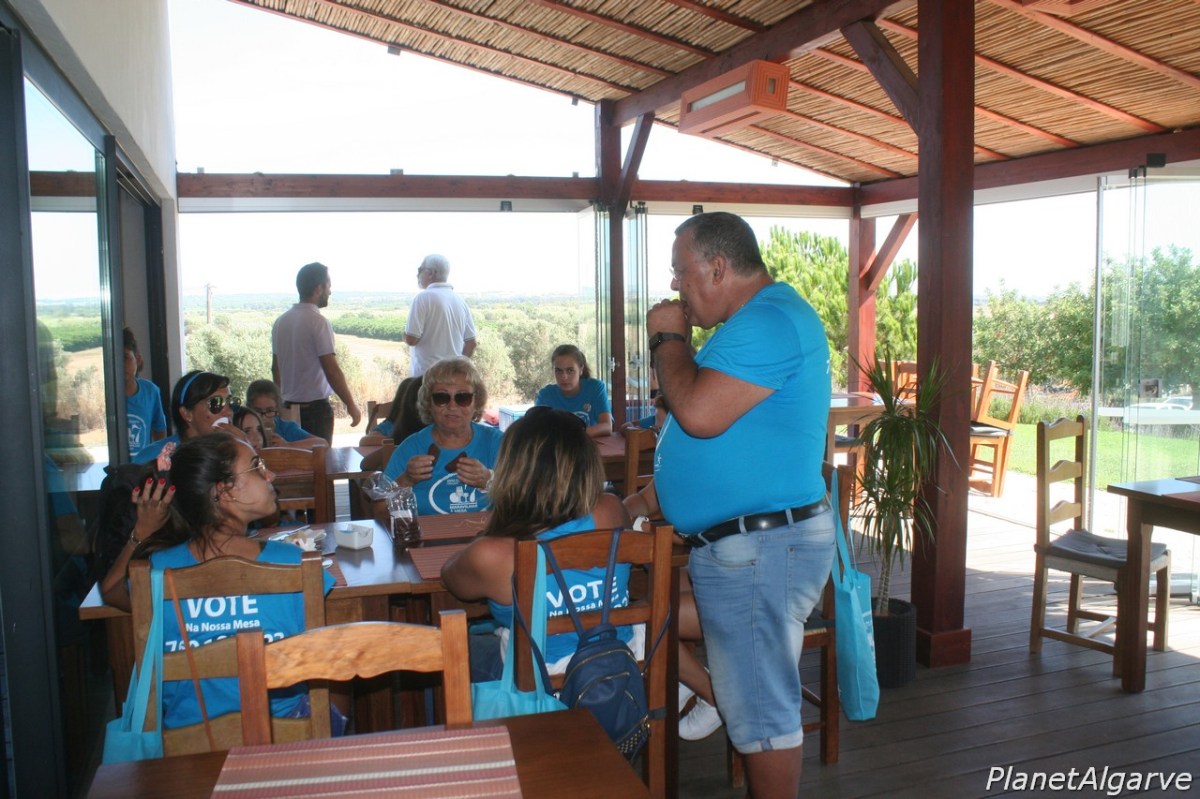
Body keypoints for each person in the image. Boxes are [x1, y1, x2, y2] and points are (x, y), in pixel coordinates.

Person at [648, 212, 833, 798]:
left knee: (764, 718)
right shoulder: (754, 321)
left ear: (717, 267)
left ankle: (725, 695)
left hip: (761, 548)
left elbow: (698, 413)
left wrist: (668, 340)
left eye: (680, 271)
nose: (675, 285)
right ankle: (718, 690)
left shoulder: (769, 322)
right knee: (652, 614)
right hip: (748, 547)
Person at [99, 434, 336, 731]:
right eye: (257, 467)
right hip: (284, 739)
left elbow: (110, 590)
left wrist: (142, 533)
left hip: (186, 742)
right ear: (224, 491)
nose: (270, 475)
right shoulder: (293, 562)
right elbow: (331, 660)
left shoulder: (158, 570)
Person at [440, 406, 634, 679]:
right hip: (623, 661)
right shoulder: (610, 510)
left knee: (446, 645)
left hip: (540, 682)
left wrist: (493, 529)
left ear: (510, 470)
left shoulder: (492, 554)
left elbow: (450, 578)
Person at [381, 357, 501, 515]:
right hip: (425, 531)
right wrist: (406, 480)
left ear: (476, 402)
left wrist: (490, 481)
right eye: (441, 398)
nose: (452, 406)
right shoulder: (411, 447)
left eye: (463, 398)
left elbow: (527, 501)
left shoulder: (497, 443)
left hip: (489, 531)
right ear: (428, 403)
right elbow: (379, 510)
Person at [271, 262, 362, 443]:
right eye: (328, 286)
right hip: (315, 411)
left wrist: (279, 405)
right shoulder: (318, 322)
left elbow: (276, 369)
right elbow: (331, 370)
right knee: (320, 457)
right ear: (318, 288)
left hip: (287, 408)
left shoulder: (281, 322)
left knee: (292, 458)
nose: (330, 291)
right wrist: (351, 405)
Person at [132, 370, 239, 465]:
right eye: (216, 403)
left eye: (231, 402)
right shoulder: (152, 458)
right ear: (187, 414)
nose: (229, 412)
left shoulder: (235, 454)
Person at [404, 254, 477, 377]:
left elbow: (411, 339)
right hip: (451, 378)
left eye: (420, 270)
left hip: (426, 377)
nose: (417, 275)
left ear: (431, 273)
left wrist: (405, 334)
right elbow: (471, 343)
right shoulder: (460, 301)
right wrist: (457, 368)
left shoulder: (422, 298)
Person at [534, 344, 613, 438]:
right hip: (558, 447)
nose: (564, 377)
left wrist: (573, 436)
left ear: (581, 369)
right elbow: (537, 430)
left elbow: (607, 426)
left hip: (590, 446)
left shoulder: (595, 388)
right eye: (558, 371)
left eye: (570, 370)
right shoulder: (545, 395)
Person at [123, 327, 167, 460]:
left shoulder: (151, 391)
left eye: (125, 358)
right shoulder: (108, 395)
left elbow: (160, 430)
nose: (121, 365)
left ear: (138, 359)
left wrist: (159, 459)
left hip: (142, 467)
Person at [246, 379, 327, 448]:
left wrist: (288, 445)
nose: (263, 417)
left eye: (269, 411)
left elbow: (323, 443)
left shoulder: (286, 429)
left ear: (277, 409)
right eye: (257, 411)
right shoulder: (244, 430)